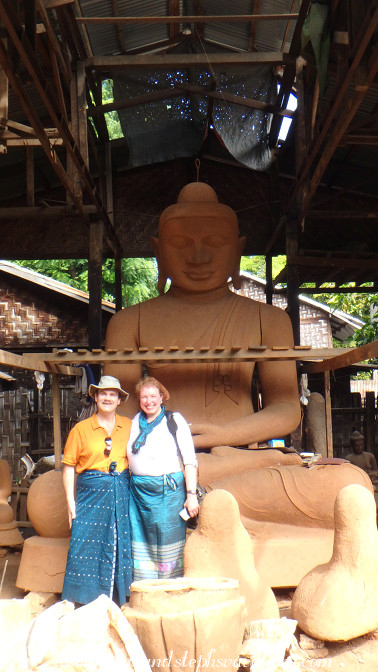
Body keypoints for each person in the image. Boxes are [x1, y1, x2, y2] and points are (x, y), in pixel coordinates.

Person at [104, 182, 371, 533]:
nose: (198, 257)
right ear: (158, 252)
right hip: (159, 460)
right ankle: (207, 503)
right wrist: (160, 445)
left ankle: (192, 502)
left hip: (239, 461)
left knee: (350, 487)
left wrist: (222, 434)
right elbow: (116, 410)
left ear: (238, 251)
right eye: (181, 244)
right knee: (51, 497)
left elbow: (286, 409)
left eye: (215, 244)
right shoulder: (128, 322)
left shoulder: (268, 320)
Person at [61, 375, 132, 606]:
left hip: (120, 492)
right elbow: (69, 467)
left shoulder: (130, 426)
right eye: (103, 393)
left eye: (113, 394)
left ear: (119, 400)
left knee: (118, 539)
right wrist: (70, 503)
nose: (108, 398)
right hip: (90, 495)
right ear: (95, 397)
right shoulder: (80, 430)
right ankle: (82, 600)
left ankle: (116, 600)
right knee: (84, 543)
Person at [128, 376, 198, 580]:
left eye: (152, 396)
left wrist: (191, 494)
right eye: (144, 397)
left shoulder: (174, 420)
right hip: (139, 494)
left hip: (168, 491)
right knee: (142, 540)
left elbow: (189, 460)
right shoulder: (134, 422)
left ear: (161, 397)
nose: (148, 401)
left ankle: (170, 587)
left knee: (168, 539)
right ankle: (146, 586)